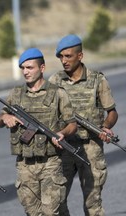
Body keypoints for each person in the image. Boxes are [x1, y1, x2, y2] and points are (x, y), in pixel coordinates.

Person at [0, 48, 77, 215]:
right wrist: (5, 118)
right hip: (24, 164)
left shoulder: (58, 93)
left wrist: (63, 133)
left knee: (50, 212)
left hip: (50, 162)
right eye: (23, 68)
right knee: (33, 212)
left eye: (30, 67)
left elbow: (72, 124)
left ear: (42, 68)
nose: (25, 72)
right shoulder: (16, 94)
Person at [49, 34, 118, 216]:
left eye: (68, 56)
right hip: (64, 147)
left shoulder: (97, 80)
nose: (64, 61)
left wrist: (105, 126)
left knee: (92, 204)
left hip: (91, 147)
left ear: (80, 56)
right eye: (61, 57)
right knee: (57, 201)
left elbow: (112, 112)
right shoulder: (54, 81)